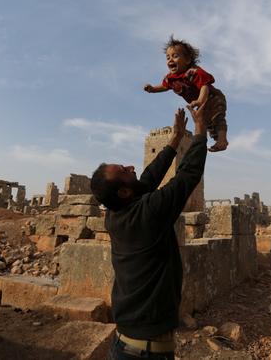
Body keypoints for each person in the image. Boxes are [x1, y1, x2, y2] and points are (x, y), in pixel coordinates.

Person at [90, 104, 209, 359]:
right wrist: (200, 130)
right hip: (145, 352)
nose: (131, 167)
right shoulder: (147, 213)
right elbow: (187, 176)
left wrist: (175, 138)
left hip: (126, 342)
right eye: (124, 171)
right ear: (123, 192)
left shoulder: (115, 213)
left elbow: (148, 178)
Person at [144, 36, 229, 152]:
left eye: (175, 56)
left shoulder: (193, 72)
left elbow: (204, 86)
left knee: (217, 118)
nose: (170, 60)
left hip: (214, 98)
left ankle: (222, 140)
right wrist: (153, 89)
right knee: (209, 124)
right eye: (168, 57)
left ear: (187, 60)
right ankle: (217, 140)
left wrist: (200, 100)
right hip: (201, 105)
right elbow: (165, 86)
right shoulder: (170, 78)